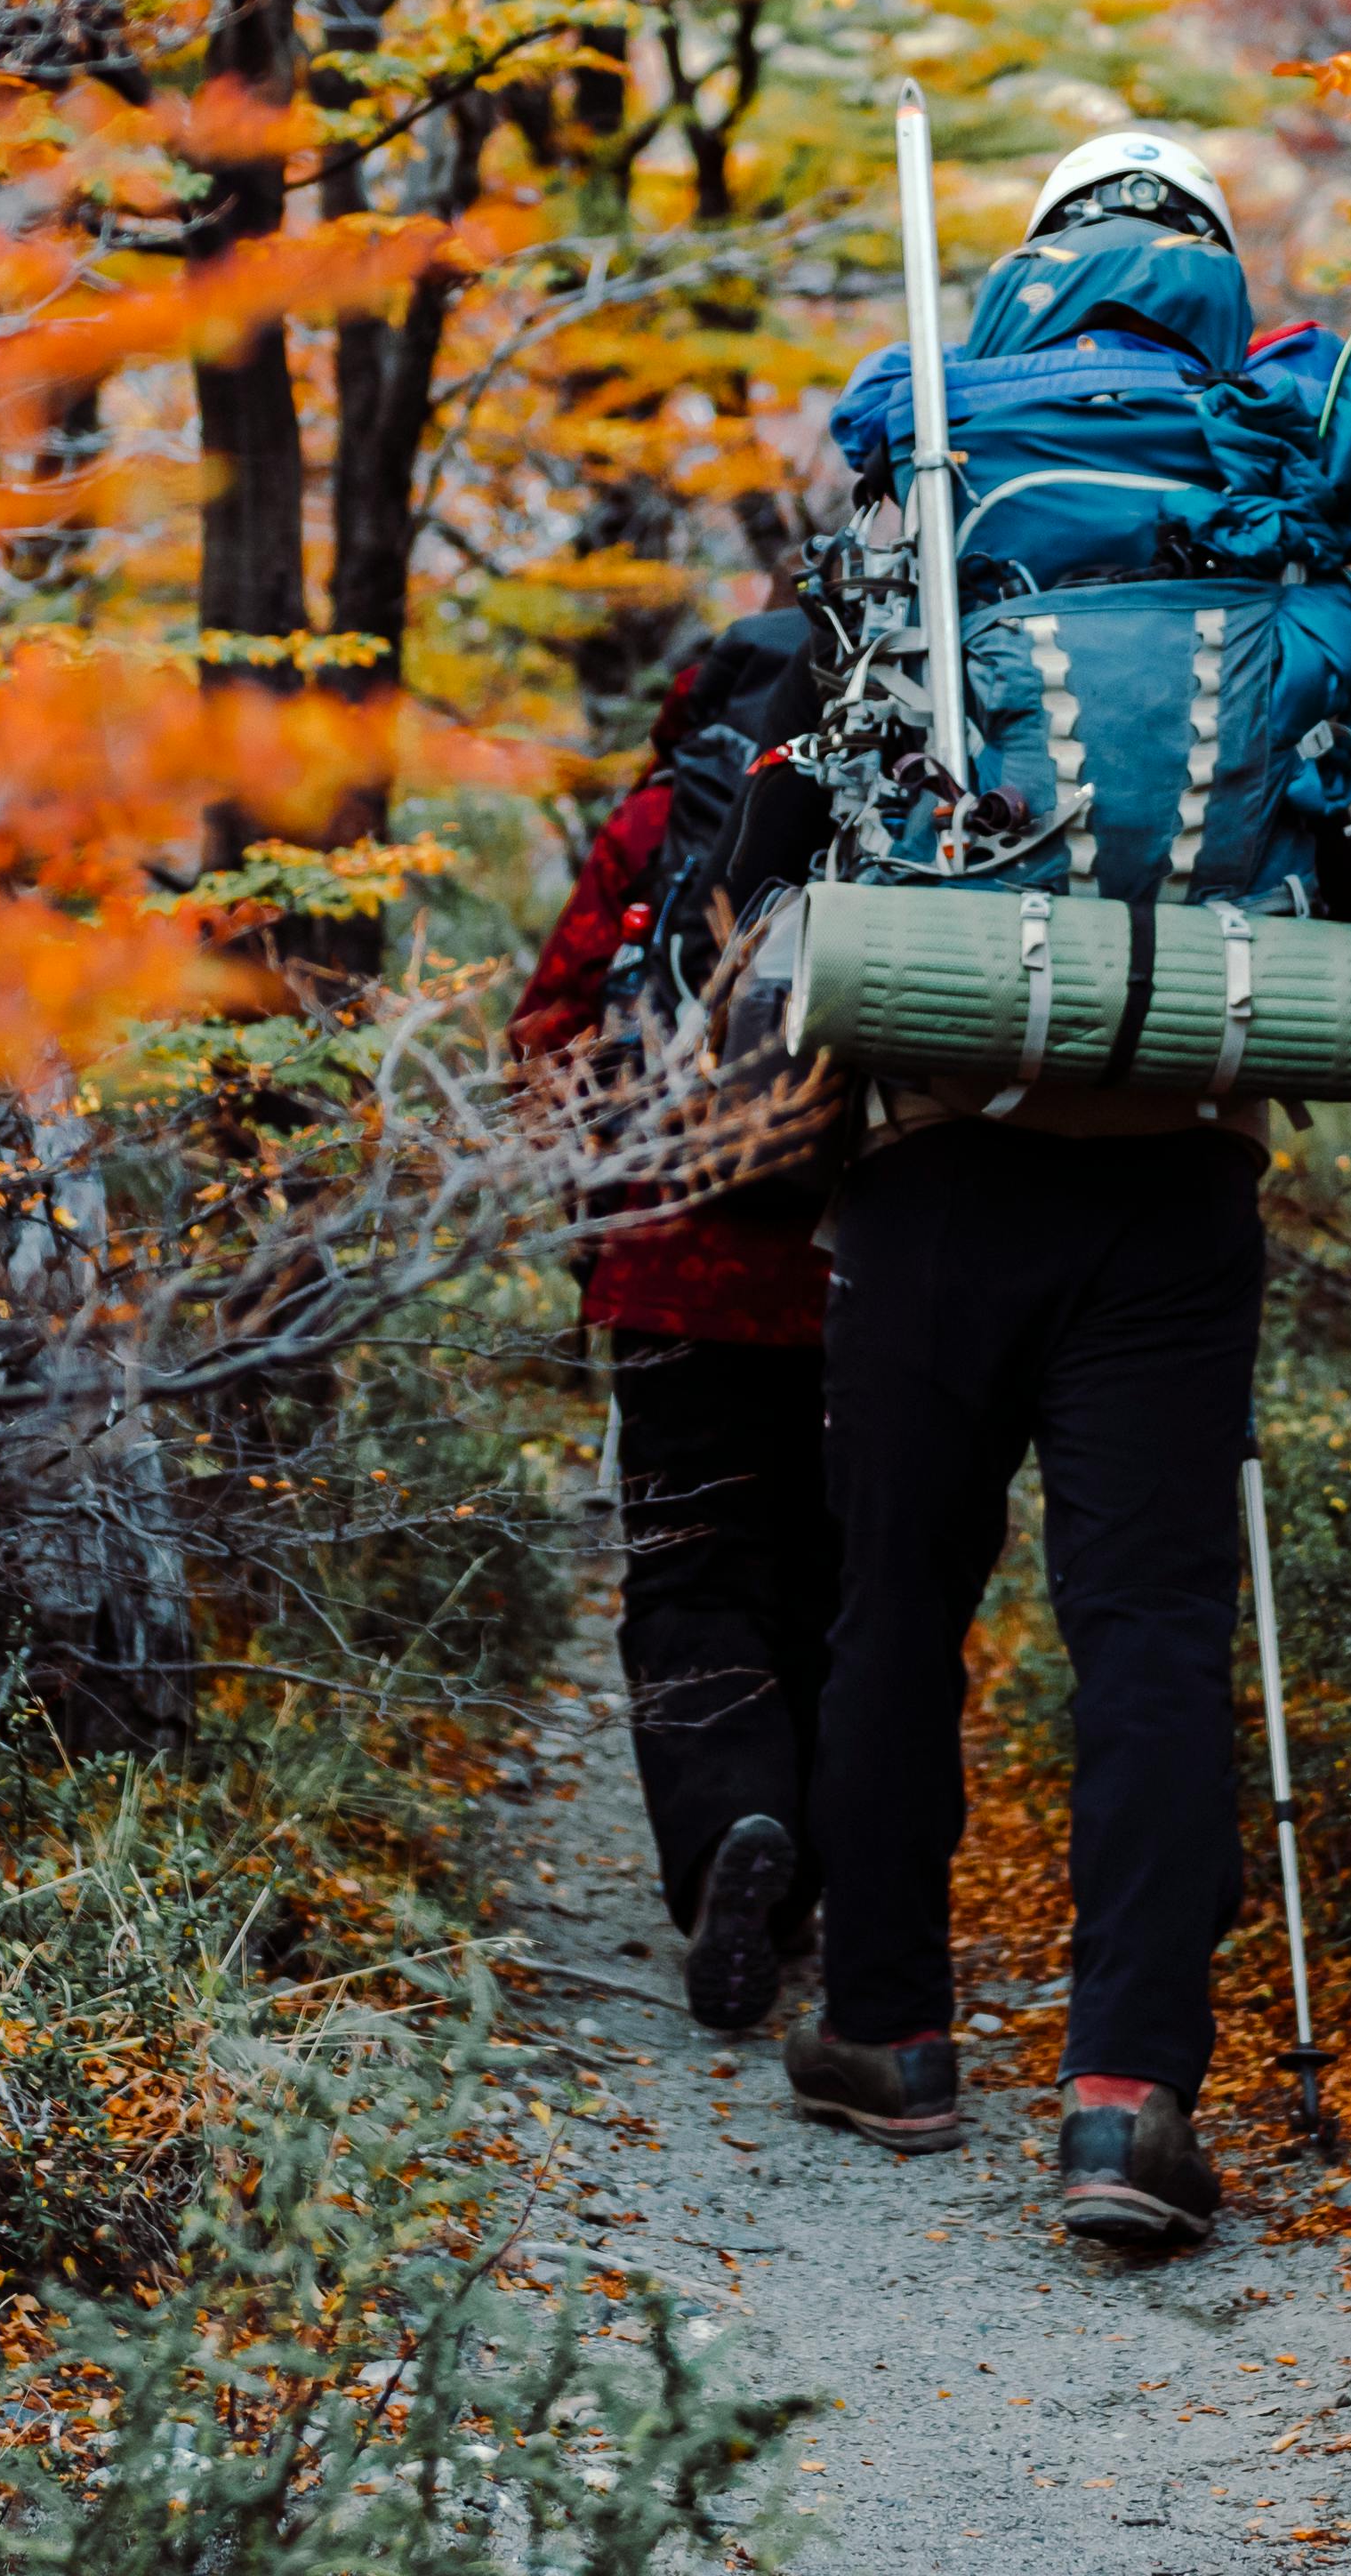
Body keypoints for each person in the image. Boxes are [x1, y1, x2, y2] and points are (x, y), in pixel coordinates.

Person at [777, 127, 1343, 2251]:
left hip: (936, 1147)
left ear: (1032, 262)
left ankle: (893, 2035)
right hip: (1180, 1151)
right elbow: (1331, 808)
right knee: (1150, 1634)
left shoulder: (939, 448)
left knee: (895, 1613)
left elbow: (841, 760)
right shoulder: (1267, 452)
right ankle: (1126, 2102)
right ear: (1207, 259)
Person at [507, 622, 840, 2033]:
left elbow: (548, 1034)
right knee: (844, 1583)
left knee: (695, 1577)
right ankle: (827, 1873)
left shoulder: (653, 822)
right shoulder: (908, 820)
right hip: (858, 1271)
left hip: (672, 1271)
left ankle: (728, 1840)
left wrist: (604, 1198)